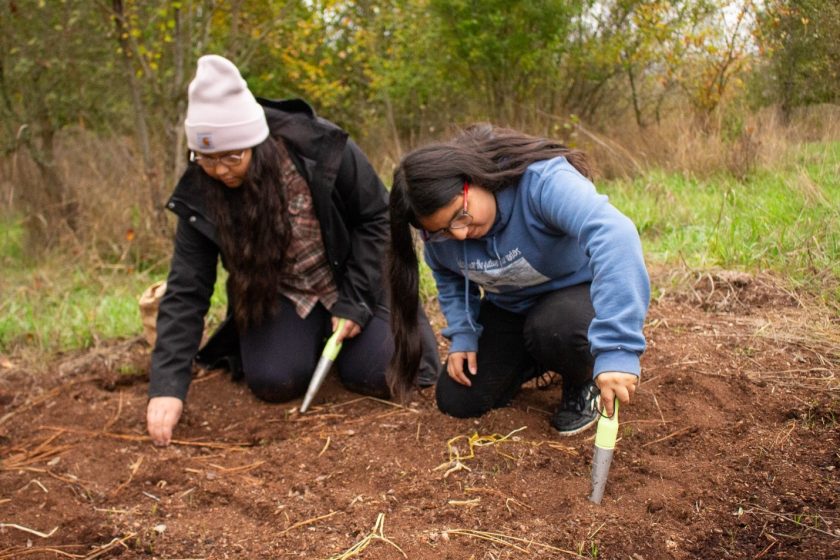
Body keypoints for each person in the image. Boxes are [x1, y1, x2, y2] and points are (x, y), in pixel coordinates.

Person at [147, 55, 439, 446]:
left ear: (256, 141)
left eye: (233, 156)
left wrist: (353, 302)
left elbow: (377, 220)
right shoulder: (200, 192)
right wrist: (167, 386)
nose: (221, 170)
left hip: (354, 276)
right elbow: (187, 287)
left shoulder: (322, 148)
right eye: (206, 158)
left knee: (379, 372)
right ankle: (309, 336)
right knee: (273, 379)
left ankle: (363, 335)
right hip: (284, 291)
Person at [387, 124, 649, 435]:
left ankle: (583, 377)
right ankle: (540, 357)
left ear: (475, 177)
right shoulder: (439, 233)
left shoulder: (541, 181)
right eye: (443, 230)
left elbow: (614, 234)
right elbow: (446, 274)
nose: (458, 234)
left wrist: (618, 349)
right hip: (512, 307)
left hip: (576, 297)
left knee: (553, 329)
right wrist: (464, 335)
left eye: (460, 215)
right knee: (458, 399)